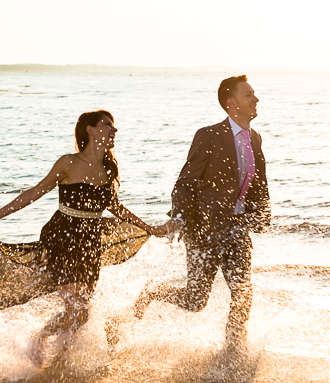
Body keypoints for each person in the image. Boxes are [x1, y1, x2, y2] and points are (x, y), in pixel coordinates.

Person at [0, 110, 177, 365]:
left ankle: (60, 361)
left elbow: (116, 208)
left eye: (113, 126)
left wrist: (151, 228)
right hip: (63, 237)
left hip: (91, 243)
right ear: (90, 129)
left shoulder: (109, 168)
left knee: (81, 313)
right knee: (78, 310)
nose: (113, 131)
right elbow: (34, 192)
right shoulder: (68, 163)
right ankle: (39, 338)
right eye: (107, 125)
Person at [110, 75, 271, 356]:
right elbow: (185, 182)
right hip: (205, 230)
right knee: (195, 301)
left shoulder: (254, 137)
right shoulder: (209, 135)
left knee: (243, 291)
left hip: (237, 229)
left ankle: (234, 349)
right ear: (231, 103)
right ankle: (154, 291)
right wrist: (181, 217)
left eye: (254, 94)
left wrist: (262, 214)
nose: (256, 99)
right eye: (249, 95)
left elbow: (259, 182)